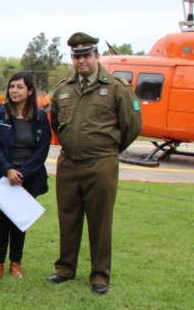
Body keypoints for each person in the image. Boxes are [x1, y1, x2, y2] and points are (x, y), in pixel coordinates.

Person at [48, 32, 142, 295]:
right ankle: (65, 269)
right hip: (69, 163)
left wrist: (108, 150)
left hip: (100, 164)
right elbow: (55, 122)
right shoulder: (63, 89)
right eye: (76, 56)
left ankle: (99, 275)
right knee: (68, 217)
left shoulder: (116, 88)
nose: (81, 61)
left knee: (100, 221)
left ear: (96, 56)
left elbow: (132, 126)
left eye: (86, 55)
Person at [0, 72, 51, 281]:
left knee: (20, 220)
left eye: (20, 87)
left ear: (29, 91)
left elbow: (42, 149)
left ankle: (16, 264)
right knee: (1, 221)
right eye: (12, 87)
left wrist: (23, 172)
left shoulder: (40, 116)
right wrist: (8, 169)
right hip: (0, 174)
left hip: (27, 176)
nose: (15, 91)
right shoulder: (0, 113)